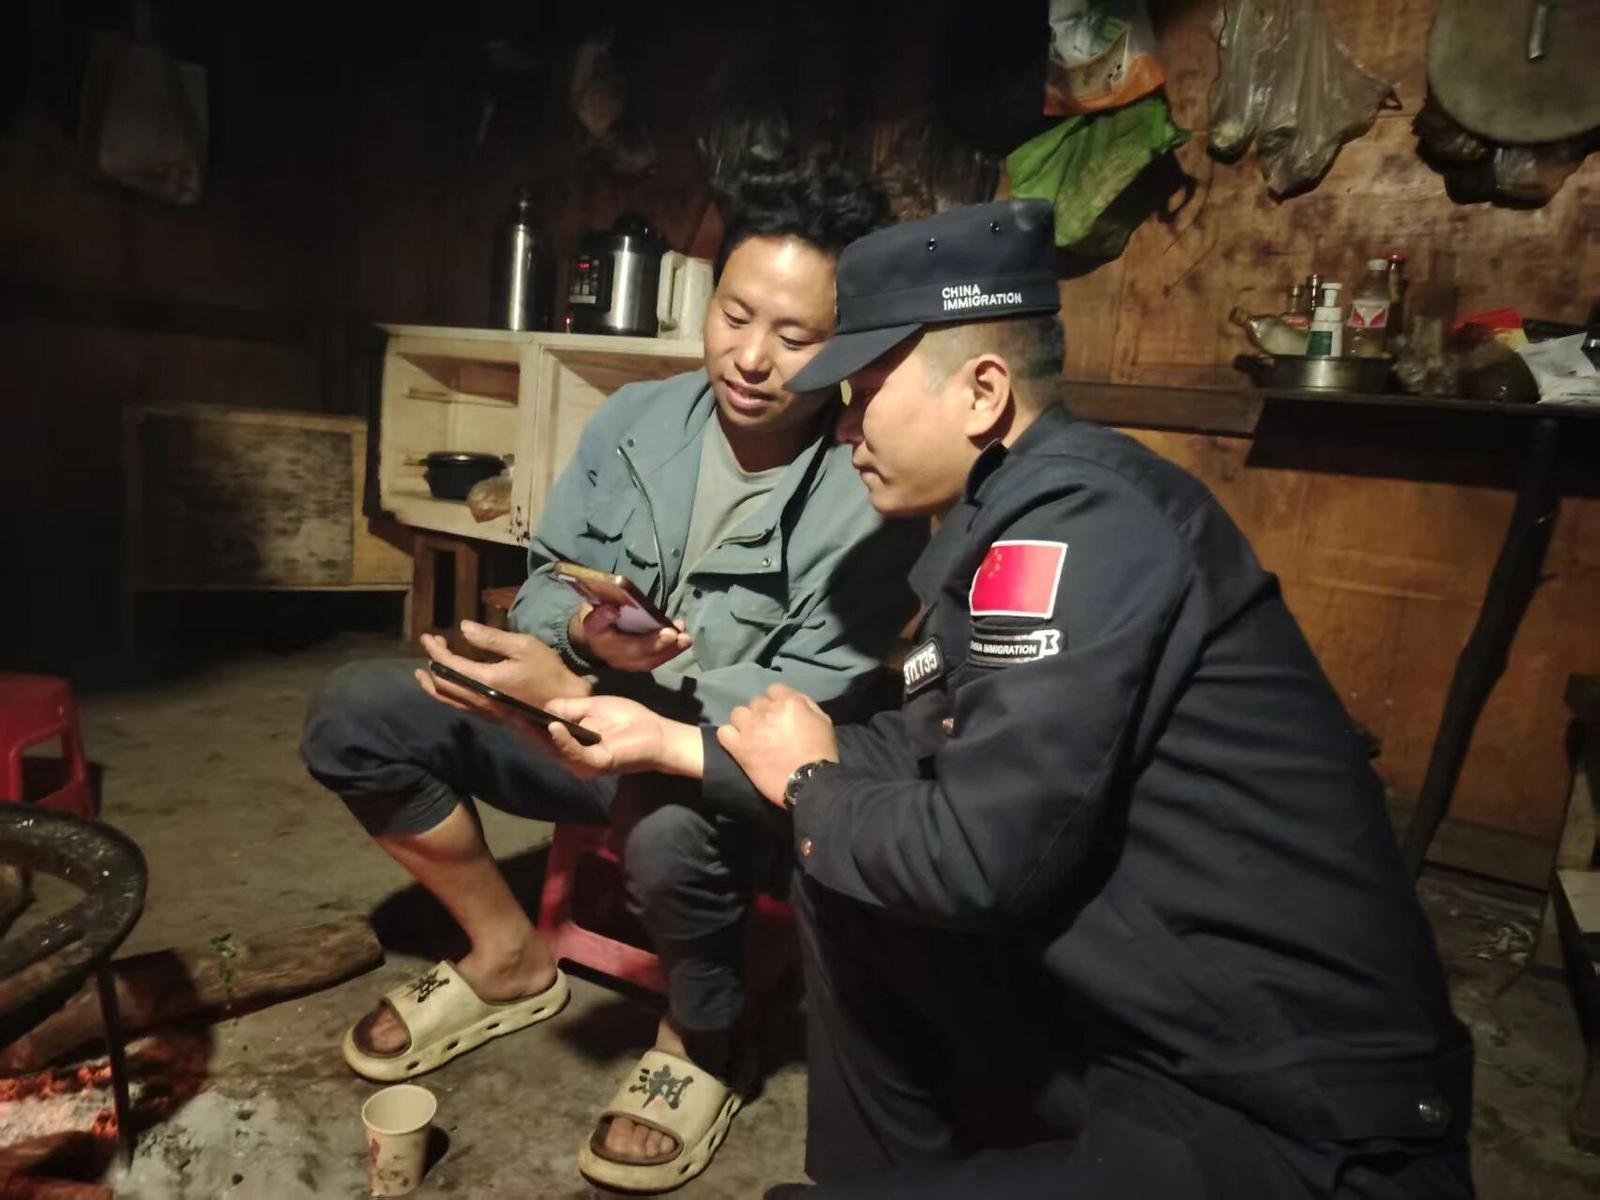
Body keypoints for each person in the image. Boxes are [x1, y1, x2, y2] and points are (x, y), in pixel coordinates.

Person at [463, 199, 1474, 1197]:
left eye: (864, 392)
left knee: (844, 836)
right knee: (845, 871)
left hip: (1294, 1114)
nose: (844, 425)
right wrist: (665, 742)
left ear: (983, 392)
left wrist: (810, 785)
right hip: (1150, 1025)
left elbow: (981, 860)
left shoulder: (1077, 524)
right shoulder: (1011, 510)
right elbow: (930, 759)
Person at [299, 158, 923, 1192]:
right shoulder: (638, 421)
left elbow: (814, 702)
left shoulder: (869, 490)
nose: (751, 358)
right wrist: (584, 639)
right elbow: (551, 574)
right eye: (735, 315)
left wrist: (604, 707)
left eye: (796, 336)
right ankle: (507, 955)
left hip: (723, 773)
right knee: (358, 711)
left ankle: (703, 1034)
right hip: (578, 722)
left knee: (665, 833)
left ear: (846, 343)